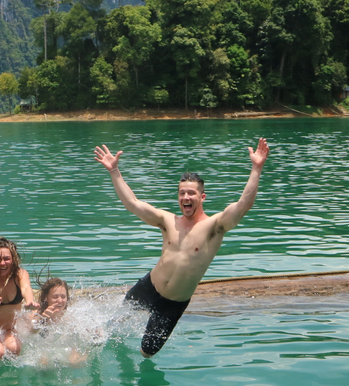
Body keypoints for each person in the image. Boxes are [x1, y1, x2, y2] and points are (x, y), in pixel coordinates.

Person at [94, 138, 270, 357]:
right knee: (109, 328)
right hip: (149, 287)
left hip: (173, 304)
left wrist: (256, 168)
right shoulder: (168, 221)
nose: (186, 197)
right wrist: (114, 171)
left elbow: (242, 206)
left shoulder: (214, 227)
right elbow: (133, 203)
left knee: (146, 353)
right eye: (182, 193)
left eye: (191, 193)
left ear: (202, 197)